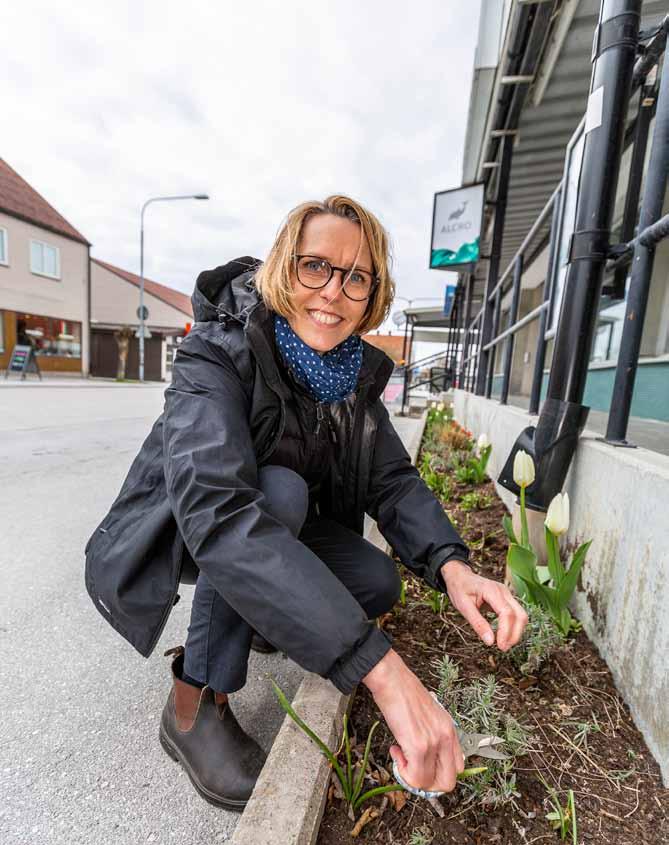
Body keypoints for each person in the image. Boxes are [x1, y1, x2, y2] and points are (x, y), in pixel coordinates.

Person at [84, 194, 527, 811]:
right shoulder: (216, 353)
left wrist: (454, 566)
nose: (332, 292)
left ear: (371, 295)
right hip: (191, 530)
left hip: (268, 529)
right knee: (280, 491)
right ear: (283, 269)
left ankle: (268, 613)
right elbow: (220, 514)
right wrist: (382, 671)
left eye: (356, 278)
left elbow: (393, 481)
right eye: (315, 265)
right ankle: (192, 702)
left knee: (376, 580)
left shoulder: (351, 379)